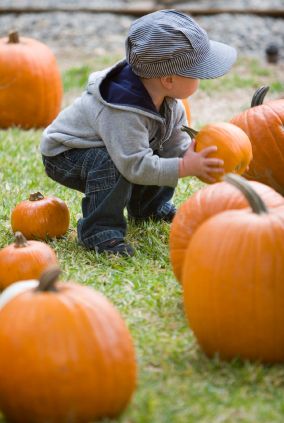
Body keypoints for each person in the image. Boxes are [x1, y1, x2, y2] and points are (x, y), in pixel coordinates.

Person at [40, 9, 237, 256]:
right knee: (112, 163)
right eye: (198, 72)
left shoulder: (169, 101)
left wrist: (194, 155)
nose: (202, 78)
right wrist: (183, 167)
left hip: (119, 149)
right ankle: (99, 231)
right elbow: (134, 165)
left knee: (157, 147)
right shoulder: (122, 111)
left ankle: (148, 207)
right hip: (67, 154)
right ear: (168, 79)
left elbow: (175, 142)